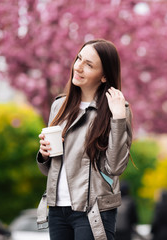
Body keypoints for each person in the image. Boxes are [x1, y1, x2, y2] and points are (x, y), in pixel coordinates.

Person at [36, 39, 133, 240]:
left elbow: (115, 167)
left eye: (88, 65)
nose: (78, 67)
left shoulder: (117, 110)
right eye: (79, 58)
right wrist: (44, 154)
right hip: (57, 208)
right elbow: (50, 169)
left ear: (104, 75)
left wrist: (118, 120)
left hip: (94, 210)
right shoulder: (59, 106)